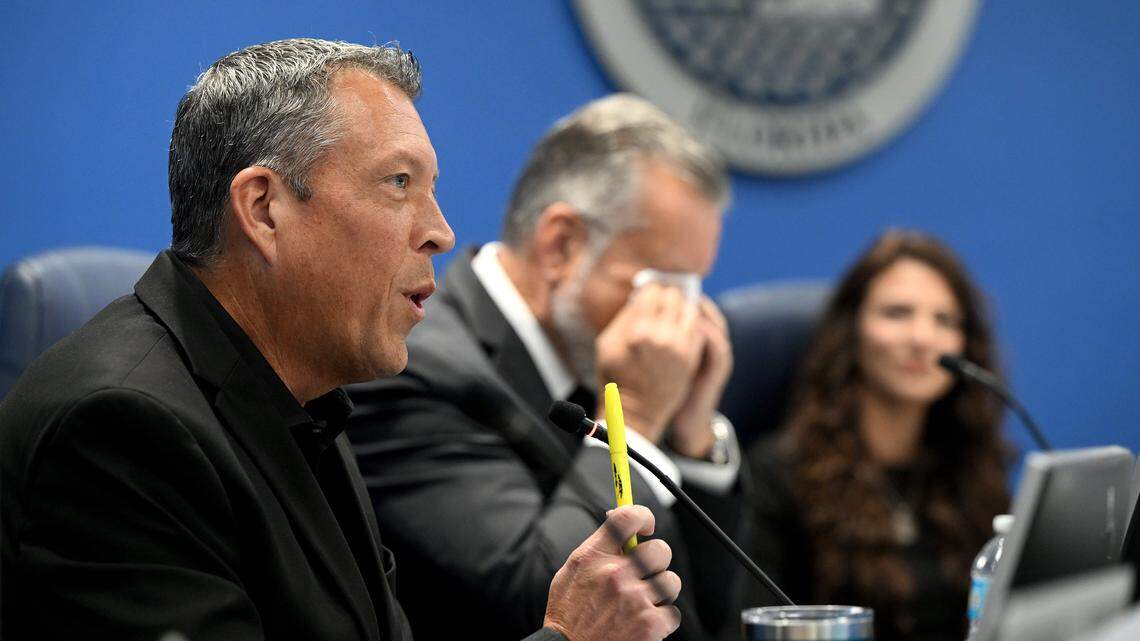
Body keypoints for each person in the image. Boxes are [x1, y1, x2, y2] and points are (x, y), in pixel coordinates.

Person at [0, 39, 683, 641]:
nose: (441, 232)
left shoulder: (307, 400)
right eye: (399, 183)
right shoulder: (124, 430)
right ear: (264, 208)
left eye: (431, 188)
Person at [347, 94, 748, 641]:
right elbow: (548, 609)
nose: (683, 320)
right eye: (664, 285)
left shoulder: (591, 353)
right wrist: (635, 417)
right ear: (561, 245)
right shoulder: (410, 370)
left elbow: (697, 621)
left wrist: (691, 440)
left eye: (693, 288)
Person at [746, 230, 1012, 641]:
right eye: (897, 313)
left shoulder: (972, 472)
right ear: (851, 330)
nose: (922, 338)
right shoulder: (777, 474)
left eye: (944, 320)